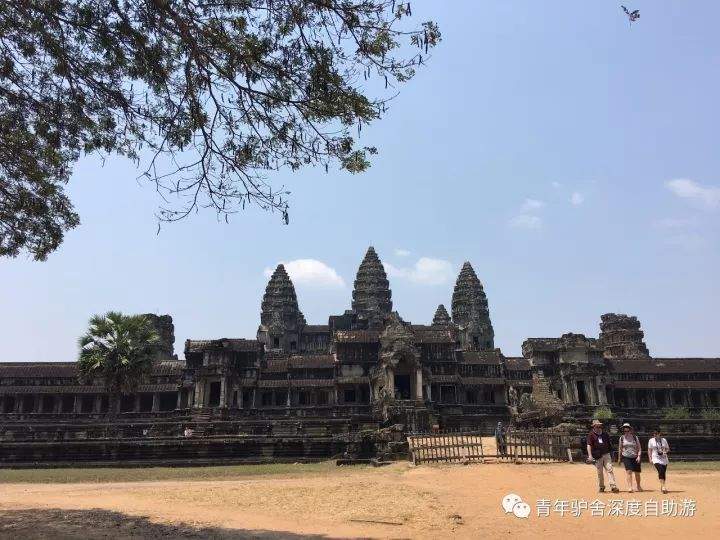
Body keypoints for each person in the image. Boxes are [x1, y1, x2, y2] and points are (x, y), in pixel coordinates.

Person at [586, 419, 619, 493]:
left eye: (599, 426)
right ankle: (601, 486)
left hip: (606, 454)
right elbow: (589, 445)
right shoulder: (591, 435)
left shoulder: (605, 434)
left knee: (610, 469)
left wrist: (612, 454)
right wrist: (590, 456)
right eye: (597, 426)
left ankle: (613, 486)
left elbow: (609, 444)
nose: (598, 428)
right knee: (600, 472)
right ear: (594, 427)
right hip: (598, 455)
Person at [617, 422, 642, 492]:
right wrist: (619, 458)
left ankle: (638, 486)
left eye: (628, 430)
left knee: (637, 472)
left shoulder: (635, 437)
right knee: (629, 471)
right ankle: (630, 487)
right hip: (626, 456)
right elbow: (620, 448)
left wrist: (639, 456)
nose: (626, 432)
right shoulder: (621, 438)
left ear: (630, 430)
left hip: (635, 457)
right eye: (625, 431)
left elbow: (639, 448)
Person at [648, 428, 670, 493]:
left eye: (656, 433)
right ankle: (663, 486)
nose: (655, 435)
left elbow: (668, 449)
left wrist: (665, 451)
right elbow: (649, 450)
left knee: (663, 472)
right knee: (660, 470)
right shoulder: (651, 440)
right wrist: (650, 458)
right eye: (654, 433)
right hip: (655, 458)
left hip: (664, 458)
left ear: (659, 434)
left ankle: (662, 485)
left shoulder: (664, 440)